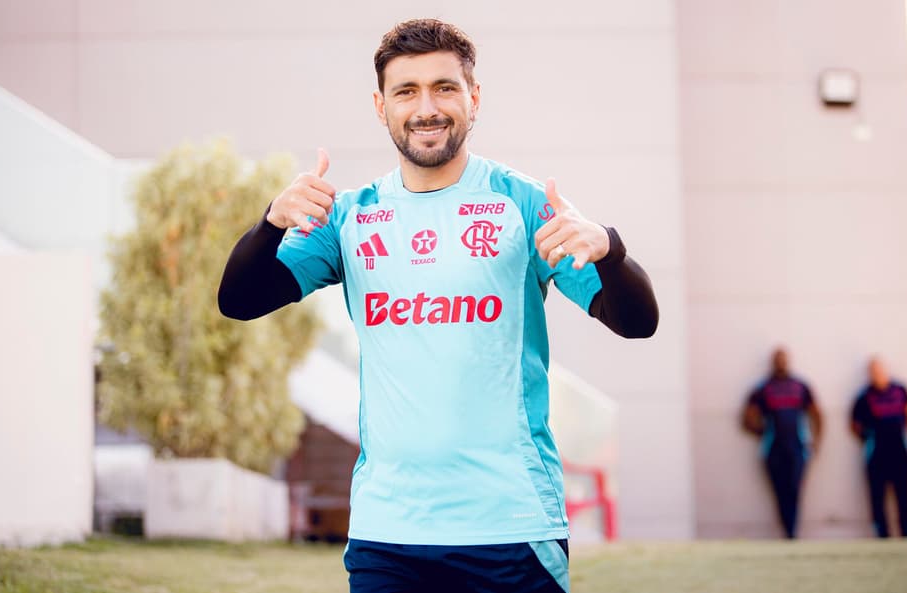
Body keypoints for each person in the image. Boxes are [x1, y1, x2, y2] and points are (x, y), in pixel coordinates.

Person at [217, 18, 659, 593]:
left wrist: (609, 249)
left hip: (512, 525)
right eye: (407, 91)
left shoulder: (521, 204)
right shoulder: (351, 217)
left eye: (445, 88)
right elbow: (239, 300)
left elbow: (637, 321)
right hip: (387, 533)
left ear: (474, 98)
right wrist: (270, 225)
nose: (427, 107)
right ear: (381, 106)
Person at [741, 347, 823, 539]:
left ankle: (793, 532)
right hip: (773, 448)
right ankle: (787, 532)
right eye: (777, 359)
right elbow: (746, 417)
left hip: (797, 447)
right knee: (780, 491)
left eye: (783, 358)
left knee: (795, 487)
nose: (780, 362)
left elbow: (817, 414)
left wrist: (816, 441)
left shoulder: (800, 386)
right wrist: (761, 430)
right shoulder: (763, 388)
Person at [851, 356, 907, 538]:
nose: (877, 374)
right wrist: (868, 438)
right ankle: (882, 534)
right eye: (873, 371)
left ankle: (906, 532)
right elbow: (855, 425)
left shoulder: (900, 390)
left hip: (899, 450)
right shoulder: (864, 397)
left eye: (880, 370)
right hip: (877, 452)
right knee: (877, 495)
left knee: (903, 493)